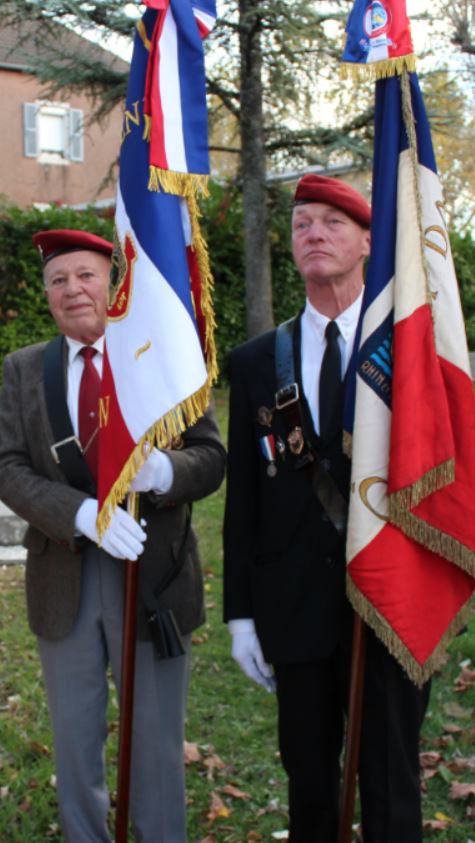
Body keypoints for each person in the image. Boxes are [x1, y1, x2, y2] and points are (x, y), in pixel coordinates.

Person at [0, 229, 225, 842]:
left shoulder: (162, 355)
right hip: (63, 572)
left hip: (153, 577)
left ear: (114, 283)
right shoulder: (23, 369)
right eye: (58, 280)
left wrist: (165, 470)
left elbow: (211, 456)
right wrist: (78, 511)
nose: (73, 290)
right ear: (46, 295)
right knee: (73, 735)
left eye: (86, 275)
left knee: (155, 736)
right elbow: (8, 467)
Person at [223, 174, 432, 842]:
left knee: (390, 779)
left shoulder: (407, 349)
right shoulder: (258, 361)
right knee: (309, 780)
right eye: (301, 223)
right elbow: (244, 498)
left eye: (332, 223)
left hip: (390, 599)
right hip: (293, 602)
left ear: (370, 241)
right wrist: (239, 612)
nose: (313, 233)